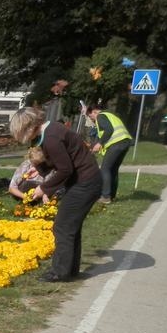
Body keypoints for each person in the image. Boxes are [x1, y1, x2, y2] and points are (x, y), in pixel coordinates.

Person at [9, 106, 101, 282]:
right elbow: (59, 160)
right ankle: (70, 270)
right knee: (71, 227)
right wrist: (40, 169)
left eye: (19, 133)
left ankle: (60, 272)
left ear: (28, 127)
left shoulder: (51, 138)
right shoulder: (51, 130)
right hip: (85, 181)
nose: (20, 138)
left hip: (85, 183)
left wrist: (44, 188)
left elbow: (65, 169)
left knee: (62, 226)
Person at [85, 105, 133, 203]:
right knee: (113, 169)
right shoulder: (110, 116)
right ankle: (111, 195)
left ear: (94, 111)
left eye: (90, 116)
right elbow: (103, 134)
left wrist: (100, 143)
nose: (91, 119)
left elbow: (109, 129)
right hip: (125, 143)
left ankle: (105, 196)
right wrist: (95, 146)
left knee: (105, 168)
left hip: (117, 143)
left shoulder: (101, 116)